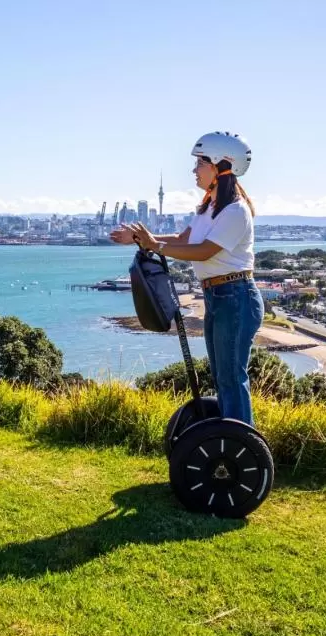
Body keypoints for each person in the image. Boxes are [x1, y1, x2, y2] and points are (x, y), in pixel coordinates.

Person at [111, 131, 263, 425]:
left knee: (231, 378)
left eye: (200, 163)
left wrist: (155, 245)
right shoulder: (209, 208)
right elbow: (184, 239)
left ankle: (243, 450)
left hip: (236, 296)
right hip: (217, 296)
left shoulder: (235, 211)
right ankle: (229, 444)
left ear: (220, 166)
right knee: (222, 377)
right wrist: (140, 240)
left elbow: (204, 251)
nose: (194, 170)